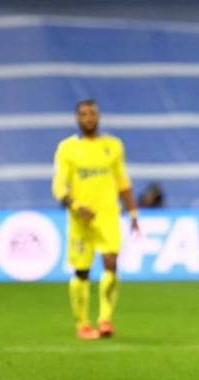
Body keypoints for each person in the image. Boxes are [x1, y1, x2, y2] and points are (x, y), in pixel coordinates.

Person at [51, 99, 139, 340]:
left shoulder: (113, 146)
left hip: (108, 216)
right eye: (84, 114)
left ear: (98, 118)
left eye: (92, 114)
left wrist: (133, 213)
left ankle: (105, 319)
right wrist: (77, 207)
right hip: (80, 221)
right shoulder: (67, 148)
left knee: (111, 263)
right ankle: (82, 323)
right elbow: (59, 187)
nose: (88, 118)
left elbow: (122, 181)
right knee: (82, 272)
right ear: (77, 119)